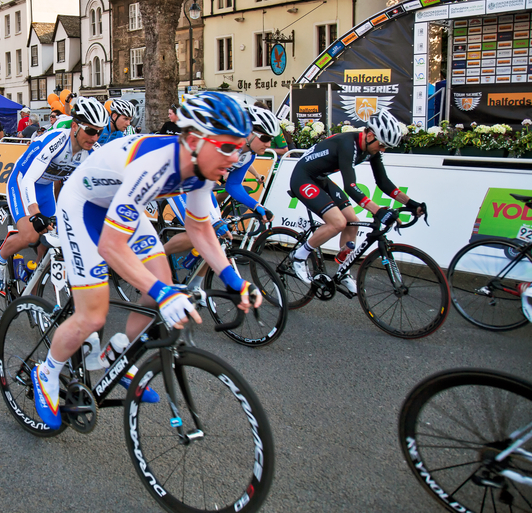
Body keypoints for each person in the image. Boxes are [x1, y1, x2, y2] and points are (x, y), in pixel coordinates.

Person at [29, 92, 264, 429]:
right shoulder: (156, 166)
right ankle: (47, 372)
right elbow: (111, 246)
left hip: (120, 202)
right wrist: (165, 294)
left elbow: (199, 227)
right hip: (83, 206)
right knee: (93, 315)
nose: (235, 157)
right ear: (194, 141)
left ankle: (118, 354)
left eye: (239, 148)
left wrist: (234, 280)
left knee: (160, 286)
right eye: (227, 147)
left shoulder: (202, 168)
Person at [288, 109, 425, 295]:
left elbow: (383, 182)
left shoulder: (371, 148)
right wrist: (377, 210)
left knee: (352, 222)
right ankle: (298, 256)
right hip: (303, 178)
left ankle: (343, 272)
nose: (383, 150)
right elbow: (350, 186)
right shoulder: (348, 144)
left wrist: (412, 203)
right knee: (338, 222)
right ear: (370, 135)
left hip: (321, 179)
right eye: (382, 145)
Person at [0, 98, 108, 291]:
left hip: (45, 188)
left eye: (99, 132)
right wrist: (35, 213)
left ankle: (32, 296)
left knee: (51, 245)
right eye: (91, 131)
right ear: (75, 126)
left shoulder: (93, 152)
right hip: (22, 182)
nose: (95, 138)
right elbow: (28, 178)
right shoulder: (56, 141)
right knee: (30, 235)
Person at [163, 103, 281, 262]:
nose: (269, 145)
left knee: (219, 237)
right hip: (179, 179)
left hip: (201, 185)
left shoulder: (249, 155)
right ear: (249, 133)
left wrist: (257, 206)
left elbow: (233, 185)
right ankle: (152, 259)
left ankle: (197, 277)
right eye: (265, 138)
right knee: (201, 232)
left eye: (271, 140)